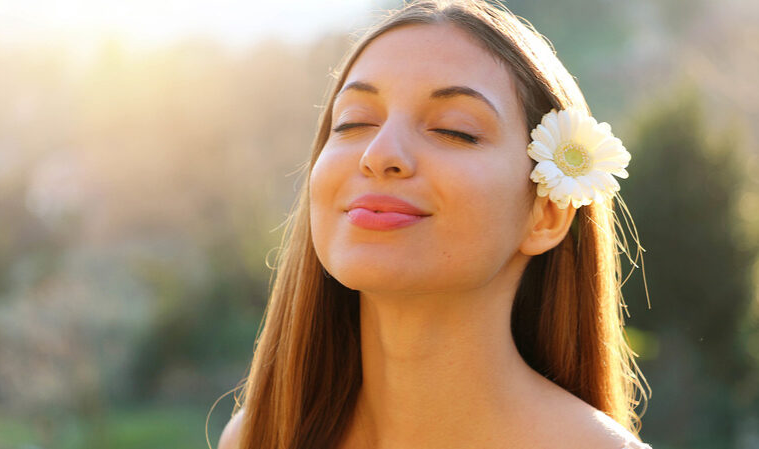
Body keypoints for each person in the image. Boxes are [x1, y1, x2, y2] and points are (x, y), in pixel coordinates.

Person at [217, 1, 651, 448]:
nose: (380, 154)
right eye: (353, 122)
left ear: (547, 214)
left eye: (454, 130)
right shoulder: (258, 438)